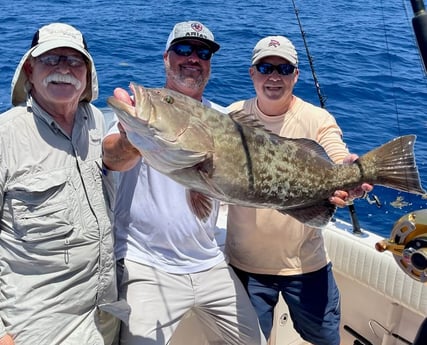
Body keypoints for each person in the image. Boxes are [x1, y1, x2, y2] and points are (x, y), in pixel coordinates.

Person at [102, 21, 266, 345]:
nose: (193, 58)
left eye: (202, 52)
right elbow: (112, 157)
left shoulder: (223, 120)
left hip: (209, 263)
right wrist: (132, 140)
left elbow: (254, 176)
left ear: (209, 64)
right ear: (166, 57)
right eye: (183, 49)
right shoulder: (140, 115)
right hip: (145, 263)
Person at [225, 35, 372, 345]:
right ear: (252, 73)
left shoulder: (316, 119)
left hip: (307, 266)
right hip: (245, 267)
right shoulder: (234, 117)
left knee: (325, 340)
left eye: (284, 68)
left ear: (296, 74)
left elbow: (335, 154)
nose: (274, 77)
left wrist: (350, 173)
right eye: (265, 68)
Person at [0, 23, 120, 344]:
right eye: (51, 60)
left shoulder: (95, 121)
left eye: (74, 61)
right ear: (29, 68)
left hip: (105, 315)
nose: (63, 70)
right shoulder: (6, 135)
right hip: (37, 324)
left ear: (87, 72)